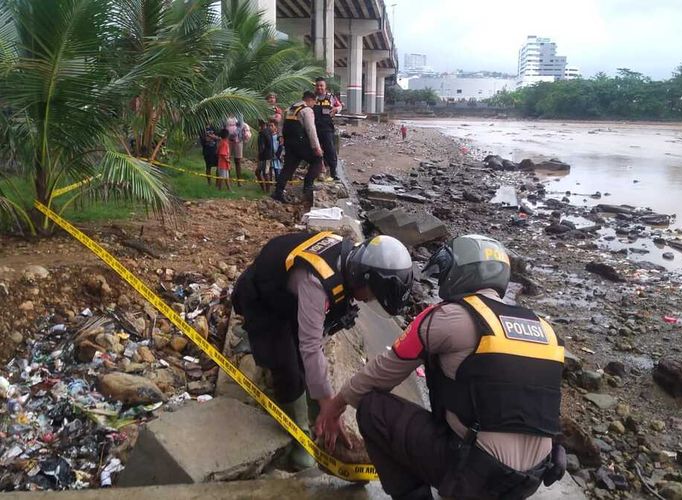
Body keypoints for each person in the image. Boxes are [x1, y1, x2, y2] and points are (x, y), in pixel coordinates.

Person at [316, 234, 567, 500]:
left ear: (461, 272)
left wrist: (337, 403)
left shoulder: (447, 317)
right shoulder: (543, 328)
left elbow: (382, 373)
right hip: (531, 478)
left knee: (373, 408)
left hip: (476, 477)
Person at [231, 232, 414, 470]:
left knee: (305, 361)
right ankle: (300, 442)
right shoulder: (316, 282)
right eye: (370, 295)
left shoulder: (351, 261)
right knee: (286, 366)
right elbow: (310, 346)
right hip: (263, 296)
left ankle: (320, 420)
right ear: (361, 278)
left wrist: (327, 403)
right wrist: (329, 403)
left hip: (290, 297)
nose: (368, 301)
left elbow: (317, 338)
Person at [273, 91, 324, 203]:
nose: (313, 105)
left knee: (288, 168)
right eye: (314, 103)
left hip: (289, 144)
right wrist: (316, 147)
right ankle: (308, 185)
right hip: (301, 143)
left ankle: (278, 192)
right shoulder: (307, 110)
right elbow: (311, 130)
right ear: (310, 99)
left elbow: (281, 124)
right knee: (317, 160)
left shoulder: (289, 109)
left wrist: (281, 136)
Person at [313, 77, 343, 181]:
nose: (319, 87)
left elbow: (340, 106)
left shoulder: (331, 97)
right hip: (314, 128)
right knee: (316, 150)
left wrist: (336, 109)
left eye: (321, 85)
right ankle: (319, 171)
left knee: (330, 150)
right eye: (317, 85)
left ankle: (334, 172)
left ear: (325, 87)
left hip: (327, 128)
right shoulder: (312, 98)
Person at [226, 113, 251, 185]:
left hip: (238, 140)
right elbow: (223, 125)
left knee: (238, 160)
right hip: (228, 140)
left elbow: (241, 125)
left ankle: (239, 181)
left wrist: (235, 133)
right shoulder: (225, 113)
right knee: (227, 159)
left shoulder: (239, 114)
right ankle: (228, 180)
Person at [256, 120, 274, 194]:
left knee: (264, 173)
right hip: (267, 155)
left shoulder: (263, 133)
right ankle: (264, 189)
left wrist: (258, 154)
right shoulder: (268, 131)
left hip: (264, 156)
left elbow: (262, 146)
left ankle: (266, 190)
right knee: (260, 172)